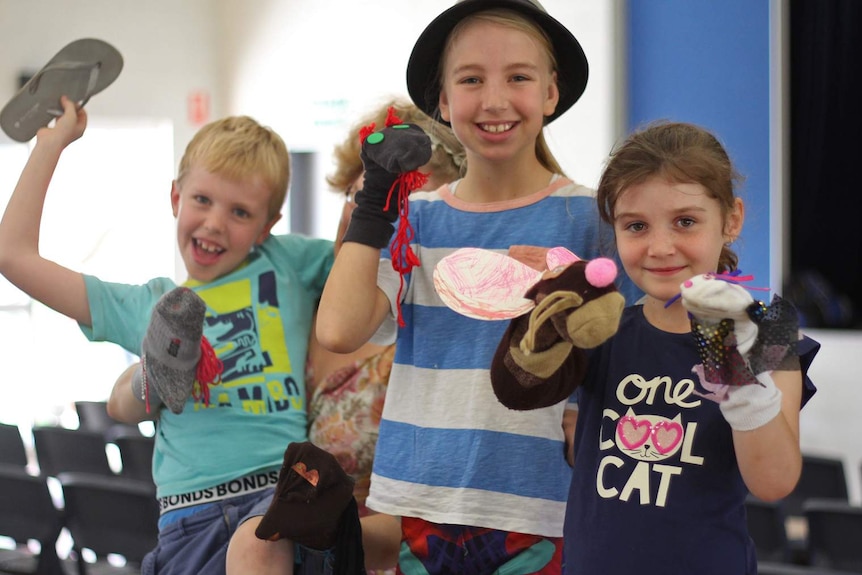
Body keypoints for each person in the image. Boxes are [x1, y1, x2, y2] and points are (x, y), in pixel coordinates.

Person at [316, 1, 641, 573]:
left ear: (549, 93)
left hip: (543, 506)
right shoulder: (417, 218)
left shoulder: (593, 220)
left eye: (518, 77)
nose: (494, 100)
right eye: (471, 80)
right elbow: (339, 329)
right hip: (422, 500)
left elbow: (626, 353)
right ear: (442, 102)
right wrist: (375, 204)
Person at [0, 100, 335, 575]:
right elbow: (14, 257)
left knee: (262, 545)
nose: (215, 222)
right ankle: (156, 375)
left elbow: (377, 261)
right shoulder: (156, 304)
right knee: (141, 379)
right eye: (202, 200)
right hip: (191, 514)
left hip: (278, 497)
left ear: (267, 227)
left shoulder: (289, 262)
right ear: (176, 198)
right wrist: (49, 145)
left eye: (240, 212)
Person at [490, 120, 820, 574]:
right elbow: (520, 392)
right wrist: (545, 317)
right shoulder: (604, 330)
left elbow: (773, 482)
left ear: (731, 219)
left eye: (685, 221)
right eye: (636, 226)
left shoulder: (771, 332)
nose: (660, 247)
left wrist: (730, 365)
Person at [306, 97, 465, 574]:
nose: (375, 217)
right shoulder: (303, 297)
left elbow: (448, 520)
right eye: (365, 195)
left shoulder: (448, 335)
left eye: (408, 198)